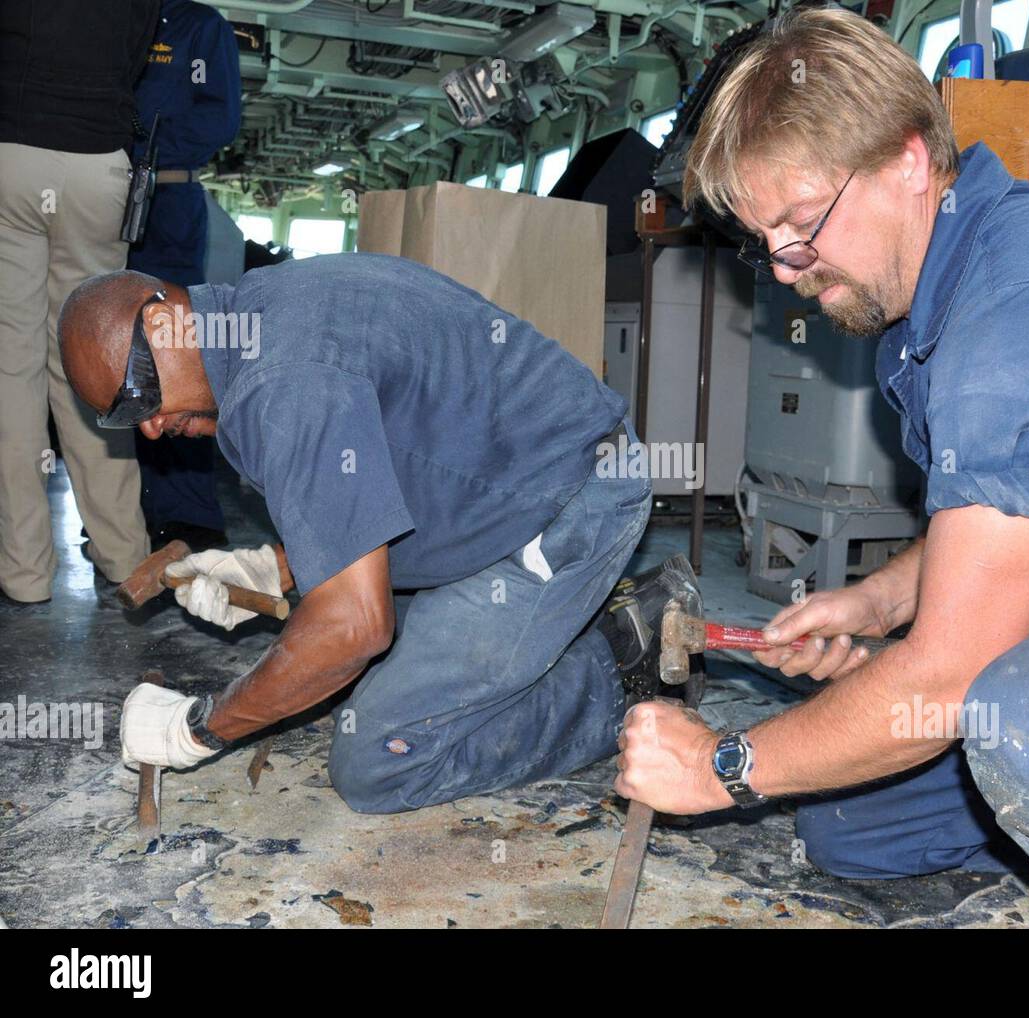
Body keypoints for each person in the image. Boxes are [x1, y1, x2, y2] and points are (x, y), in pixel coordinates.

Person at [614, 7, 1029, 929]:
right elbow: (1002, 513)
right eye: (762, 239)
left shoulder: (1022, 316)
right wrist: (881, 604)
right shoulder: (942, 281)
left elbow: (948, 678)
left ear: (906, 161)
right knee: (851, 824)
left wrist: (717, 767)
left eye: (801, 222)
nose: (782, 267)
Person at [57, 253, 695, 813]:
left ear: (167, 314)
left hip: (566, 507)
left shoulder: (282, 384)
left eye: (141, 394)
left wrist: (201, 728)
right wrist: (276, 567)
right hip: (507, 488)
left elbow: (356, 628)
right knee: (333, 664)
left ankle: (623, 661)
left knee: (379, 758)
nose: (148, 427)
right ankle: (559, 635)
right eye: (122, 416)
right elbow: (385, 465)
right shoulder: (266, 310)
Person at [0, 0, 156, 608]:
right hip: (96, 162)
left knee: (12, 371)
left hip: (11, 154)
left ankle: (25, 573)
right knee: (93, 360)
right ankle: (123, 557)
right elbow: (136, 58)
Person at [129, 0, 241, 551]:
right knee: (103, 347)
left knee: (171, 353)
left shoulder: (201, 26)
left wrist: (138, 144)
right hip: (102, 194)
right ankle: (123, 510)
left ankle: (188, 514)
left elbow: (219, 117)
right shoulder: (108, 18)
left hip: (167, 199)